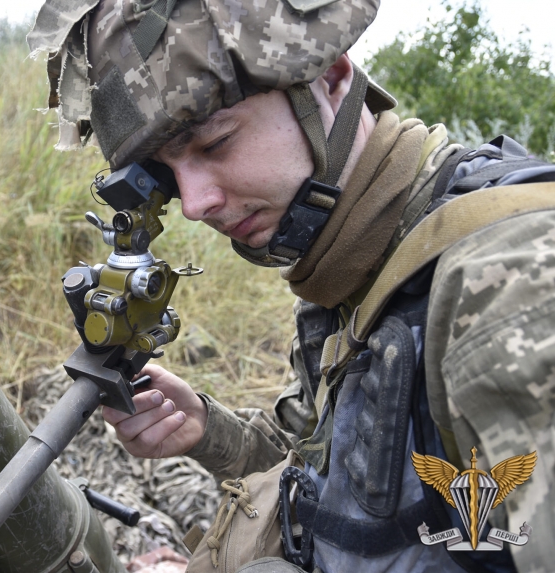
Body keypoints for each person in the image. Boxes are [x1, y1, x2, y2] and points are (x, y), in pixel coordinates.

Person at [29, 0, 555, 572]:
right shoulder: (361, 263)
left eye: (215, 144)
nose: (197, 204)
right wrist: (208, 430)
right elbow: (333, 474)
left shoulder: (510, 285)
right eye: (168, 174)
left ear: (329, 80)